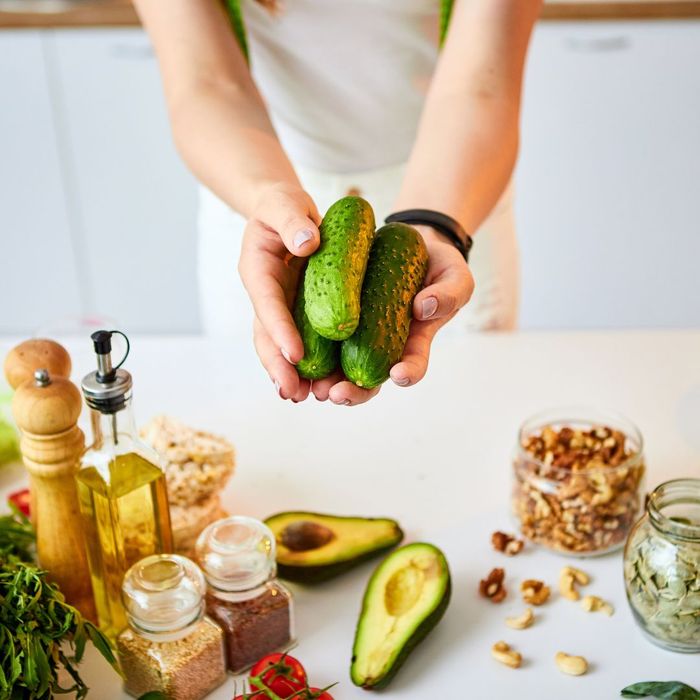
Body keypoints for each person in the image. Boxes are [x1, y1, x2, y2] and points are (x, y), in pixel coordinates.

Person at [134, 0, 542, 405]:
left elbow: (481, 85)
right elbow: (206, 83)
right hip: (257, 193)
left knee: (472, 413)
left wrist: (431, 222)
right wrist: (265, 197)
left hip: (456, 185)